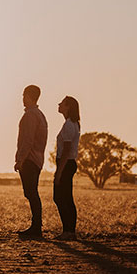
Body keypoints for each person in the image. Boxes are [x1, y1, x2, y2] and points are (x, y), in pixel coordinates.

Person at [14, 84, 47, 239]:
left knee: (31, 193)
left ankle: (36, 227)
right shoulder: (40, 115)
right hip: (37, 159)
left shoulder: (30, 116)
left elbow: (27, 140)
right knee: (32, 192)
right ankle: (36, 225)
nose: (22, 99)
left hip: (30, 159)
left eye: (23, 95)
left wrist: (20, 160)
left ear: (29, 96)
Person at [53, 95, 81, 241]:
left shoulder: (69, 125)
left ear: (68, 107)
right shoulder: (72, 124)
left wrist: (59, 171)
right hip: (68, 163)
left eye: (62, 103)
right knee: (65, 197)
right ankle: (69, 230)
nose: (59, 105)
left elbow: (66, 150)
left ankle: (68, 231)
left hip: (66, 162)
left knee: (60, 197)